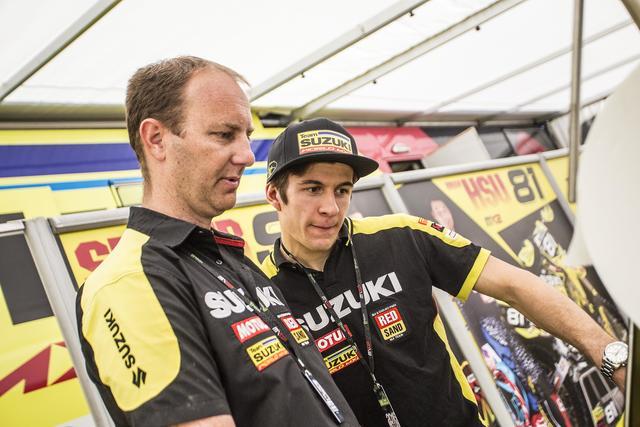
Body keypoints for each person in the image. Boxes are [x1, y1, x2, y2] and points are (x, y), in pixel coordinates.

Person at [260, 118, 628, 427]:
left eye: (342, 190)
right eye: (313, 189)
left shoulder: (401, 235)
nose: (330, 207)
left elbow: (514, 285)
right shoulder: (261, 292)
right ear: (276, 196)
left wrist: (611, 356)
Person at [75, 58, 359, 427]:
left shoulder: (226, 256)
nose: (247, 155)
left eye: (246, 135)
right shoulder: (129, 281)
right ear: (156, 139)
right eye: (224, 135)